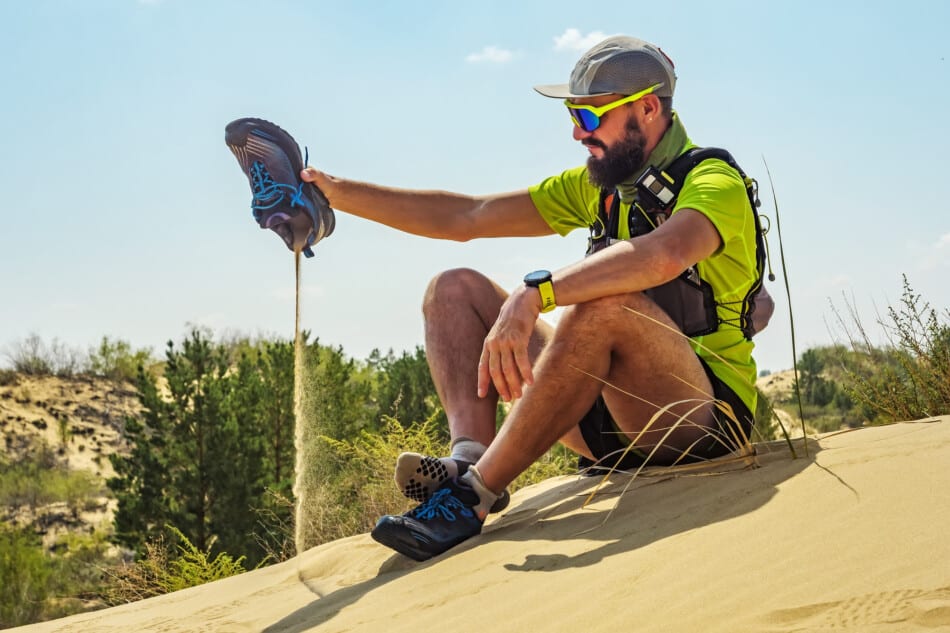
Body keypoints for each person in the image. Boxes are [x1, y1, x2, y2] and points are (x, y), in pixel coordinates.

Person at [300, 35, 760, 561]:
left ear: (648, 109)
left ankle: (470, 498)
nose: (576, 133)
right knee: (454, 288)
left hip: (696, 424)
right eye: (572, 115)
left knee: (605, 307)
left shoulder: (712, 180)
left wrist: (535, 294)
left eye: (590, 118)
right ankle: (468, 459)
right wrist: (333, 191)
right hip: (606, 426)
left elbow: (665, 254)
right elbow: (465, 217)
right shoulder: (602, 187)